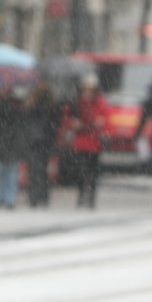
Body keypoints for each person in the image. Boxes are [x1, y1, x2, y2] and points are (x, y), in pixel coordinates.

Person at [67, 72, 108, 208]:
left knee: (92, 172)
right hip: (81, 142)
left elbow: (103, 119)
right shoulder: (77, 102)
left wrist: (98, 123)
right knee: (81, 171)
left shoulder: (99, 102)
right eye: (86, 89)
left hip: (93, 143)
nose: (87, 92)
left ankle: (91, 198)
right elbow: (69, 118)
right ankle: (81, 195)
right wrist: (74, 123)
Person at [22, 79, 59, 207]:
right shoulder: (41, 103)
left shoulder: (46, 104)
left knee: (38, 169)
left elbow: (54, 122)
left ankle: (38, 196)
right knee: (38, 169)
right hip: (38, 139)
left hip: (40, 140)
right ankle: (38, 196)